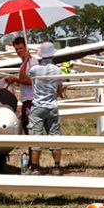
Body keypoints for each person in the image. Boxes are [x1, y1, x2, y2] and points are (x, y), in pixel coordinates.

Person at [26, 42, 63, 175]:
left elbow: (26, 77)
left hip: (38, 106)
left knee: (36, 138)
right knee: (55, 137)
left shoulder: (35, 69)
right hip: (52, 106)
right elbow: (59, 90)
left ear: (41, 55)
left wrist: (27, 60)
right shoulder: (58, 70)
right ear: (52, 54)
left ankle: (35, 168)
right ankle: (57, 167)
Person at [5, 36, 38, 134]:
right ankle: (32, 149)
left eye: (20, 48)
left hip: (32, 99)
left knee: (30, 128)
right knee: (27, 127)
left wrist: (16, 79)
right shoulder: (24, 63)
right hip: (26, 99)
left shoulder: (32, 63)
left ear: (26, 48)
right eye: (16, 49)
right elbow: (24, 81)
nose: (18, 51)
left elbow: (30, 82)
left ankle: (33, 149)